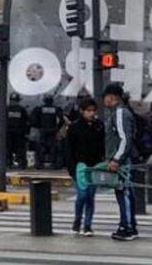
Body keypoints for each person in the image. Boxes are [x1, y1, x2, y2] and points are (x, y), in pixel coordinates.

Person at [101, 82, 138, 241]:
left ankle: (127, 227)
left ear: (111, 97)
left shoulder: (120, 113)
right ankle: (129, 224)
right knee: (124, 193)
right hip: (121, 159)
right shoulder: (118, 113)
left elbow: (124, 139)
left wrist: (116, 159)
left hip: (121, 161)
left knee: (124, 193)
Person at [66, 97, 104, 237]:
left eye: (93, 111)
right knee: (82, 195)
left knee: (90, 196)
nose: (91, 113)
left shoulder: (99, 126)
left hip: (94, 166)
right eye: (88, 111)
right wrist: (72, 169)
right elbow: (69, 150)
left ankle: (87, 225)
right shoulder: (74, 127)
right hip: (79, 166)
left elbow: (102, 146)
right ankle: (77, 221)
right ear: (82, 111)